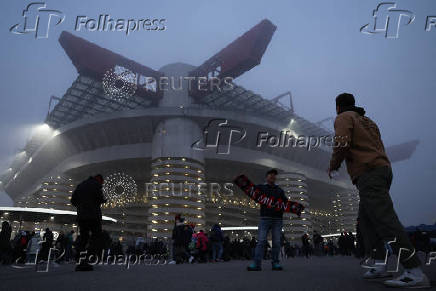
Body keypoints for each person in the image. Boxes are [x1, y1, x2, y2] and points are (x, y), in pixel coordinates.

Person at [328, 93, 429, 288]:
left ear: (338, 107)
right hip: (382, 169)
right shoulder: (368, 121)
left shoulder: (343, 117)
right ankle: (380, 264)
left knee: (385, 219)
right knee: (366, 221)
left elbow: (342, 143)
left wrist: (333, 165)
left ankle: (414, 271)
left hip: (368, 173)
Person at [247, 169, 287, 271]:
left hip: (277, 219)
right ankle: (257, 264)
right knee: (261, 241)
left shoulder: (280, 190)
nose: (273, 177)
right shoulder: (261, 187)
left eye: (274, 176)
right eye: (271, 175)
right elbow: (252, 193)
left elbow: (285, 204)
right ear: (266, 177)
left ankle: (275, 263)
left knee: (277, 242)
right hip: (265, 218)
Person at [71, 174, 106, 271]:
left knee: (83, 238)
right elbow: (100, 198)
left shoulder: (81, 185)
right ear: (99, 180)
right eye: (102, 182)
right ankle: (89, 257)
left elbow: (73, 200)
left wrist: (81, 206)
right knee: (96, 236)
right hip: (94, 216)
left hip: (82, 216)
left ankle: (81, 261)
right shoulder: (96, 185)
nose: (102, 184)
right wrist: (103, 201)